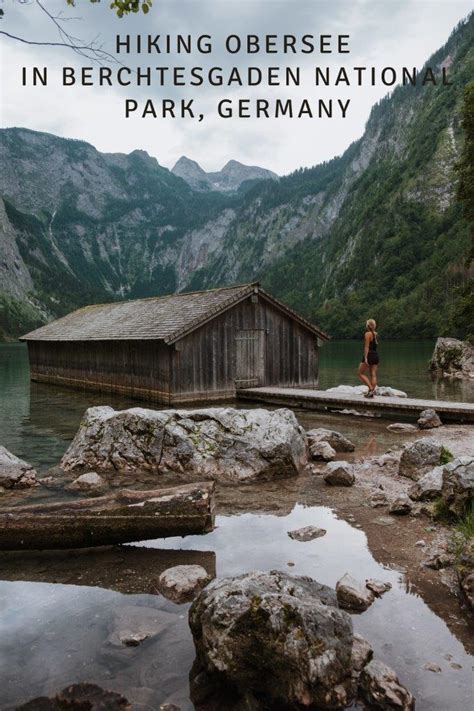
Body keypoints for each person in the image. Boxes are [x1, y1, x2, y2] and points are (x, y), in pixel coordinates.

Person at [358, 319, 379, 398]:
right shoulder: (376, 334)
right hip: (376, 355)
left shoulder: (367, 334)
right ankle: (371, 392)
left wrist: (366, 358)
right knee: (373, 374)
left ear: (368, 326)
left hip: (370, 355)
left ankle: (370, 388)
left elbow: (366, 346)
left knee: (360, 373)